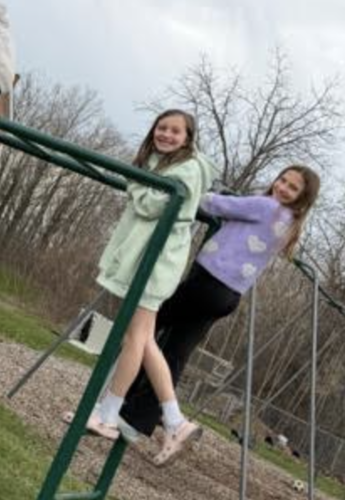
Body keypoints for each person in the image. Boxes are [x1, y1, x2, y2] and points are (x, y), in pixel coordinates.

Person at [118, 165, 321, 452]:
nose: (282, 188)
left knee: (146, 324)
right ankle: (137, 419)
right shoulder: (289, 225)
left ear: (302, 198)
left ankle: (120, 393)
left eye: (292, 188)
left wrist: (203, 191)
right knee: (176, 350)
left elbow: (214, 204)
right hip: (228, 295)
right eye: (282, 180)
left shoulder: (266, 207)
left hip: (209, 281)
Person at [69, 110, 216, 465]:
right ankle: (175, 420)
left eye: (175, 130)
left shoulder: (189, 169)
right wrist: (142, 179)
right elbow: (147, 197)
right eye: (162, 128)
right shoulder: (158, 162)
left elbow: (153, 204)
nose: (166, 134)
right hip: (146, 259)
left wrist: (136, 182)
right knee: (145, 340)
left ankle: (107, 415)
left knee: (134, 338)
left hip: (154, 264)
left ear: (188, 137)